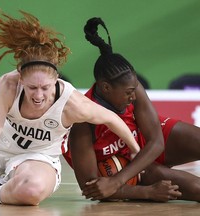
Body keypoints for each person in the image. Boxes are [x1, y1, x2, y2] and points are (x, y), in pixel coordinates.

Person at [0, 11, 140, 208]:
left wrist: (135, 150)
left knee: (31, 193)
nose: (38, 95)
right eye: (32, 87)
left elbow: (112, 119)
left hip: (38, 157)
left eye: (45, 88)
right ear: (20, 78)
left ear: (56, 80)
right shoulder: (7, 85)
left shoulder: (71, 103)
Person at [63, 17, 200, 202]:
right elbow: (92, 186)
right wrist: (146, 192)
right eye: (128, 93)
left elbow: (157, 142)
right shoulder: (82, 120)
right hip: (131, 167)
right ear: (105, 88)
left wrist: (117, 181)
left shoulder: (131, 85)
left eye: (135, 90)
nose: (134, 96)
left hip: (145, 147)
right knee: (197, 189)